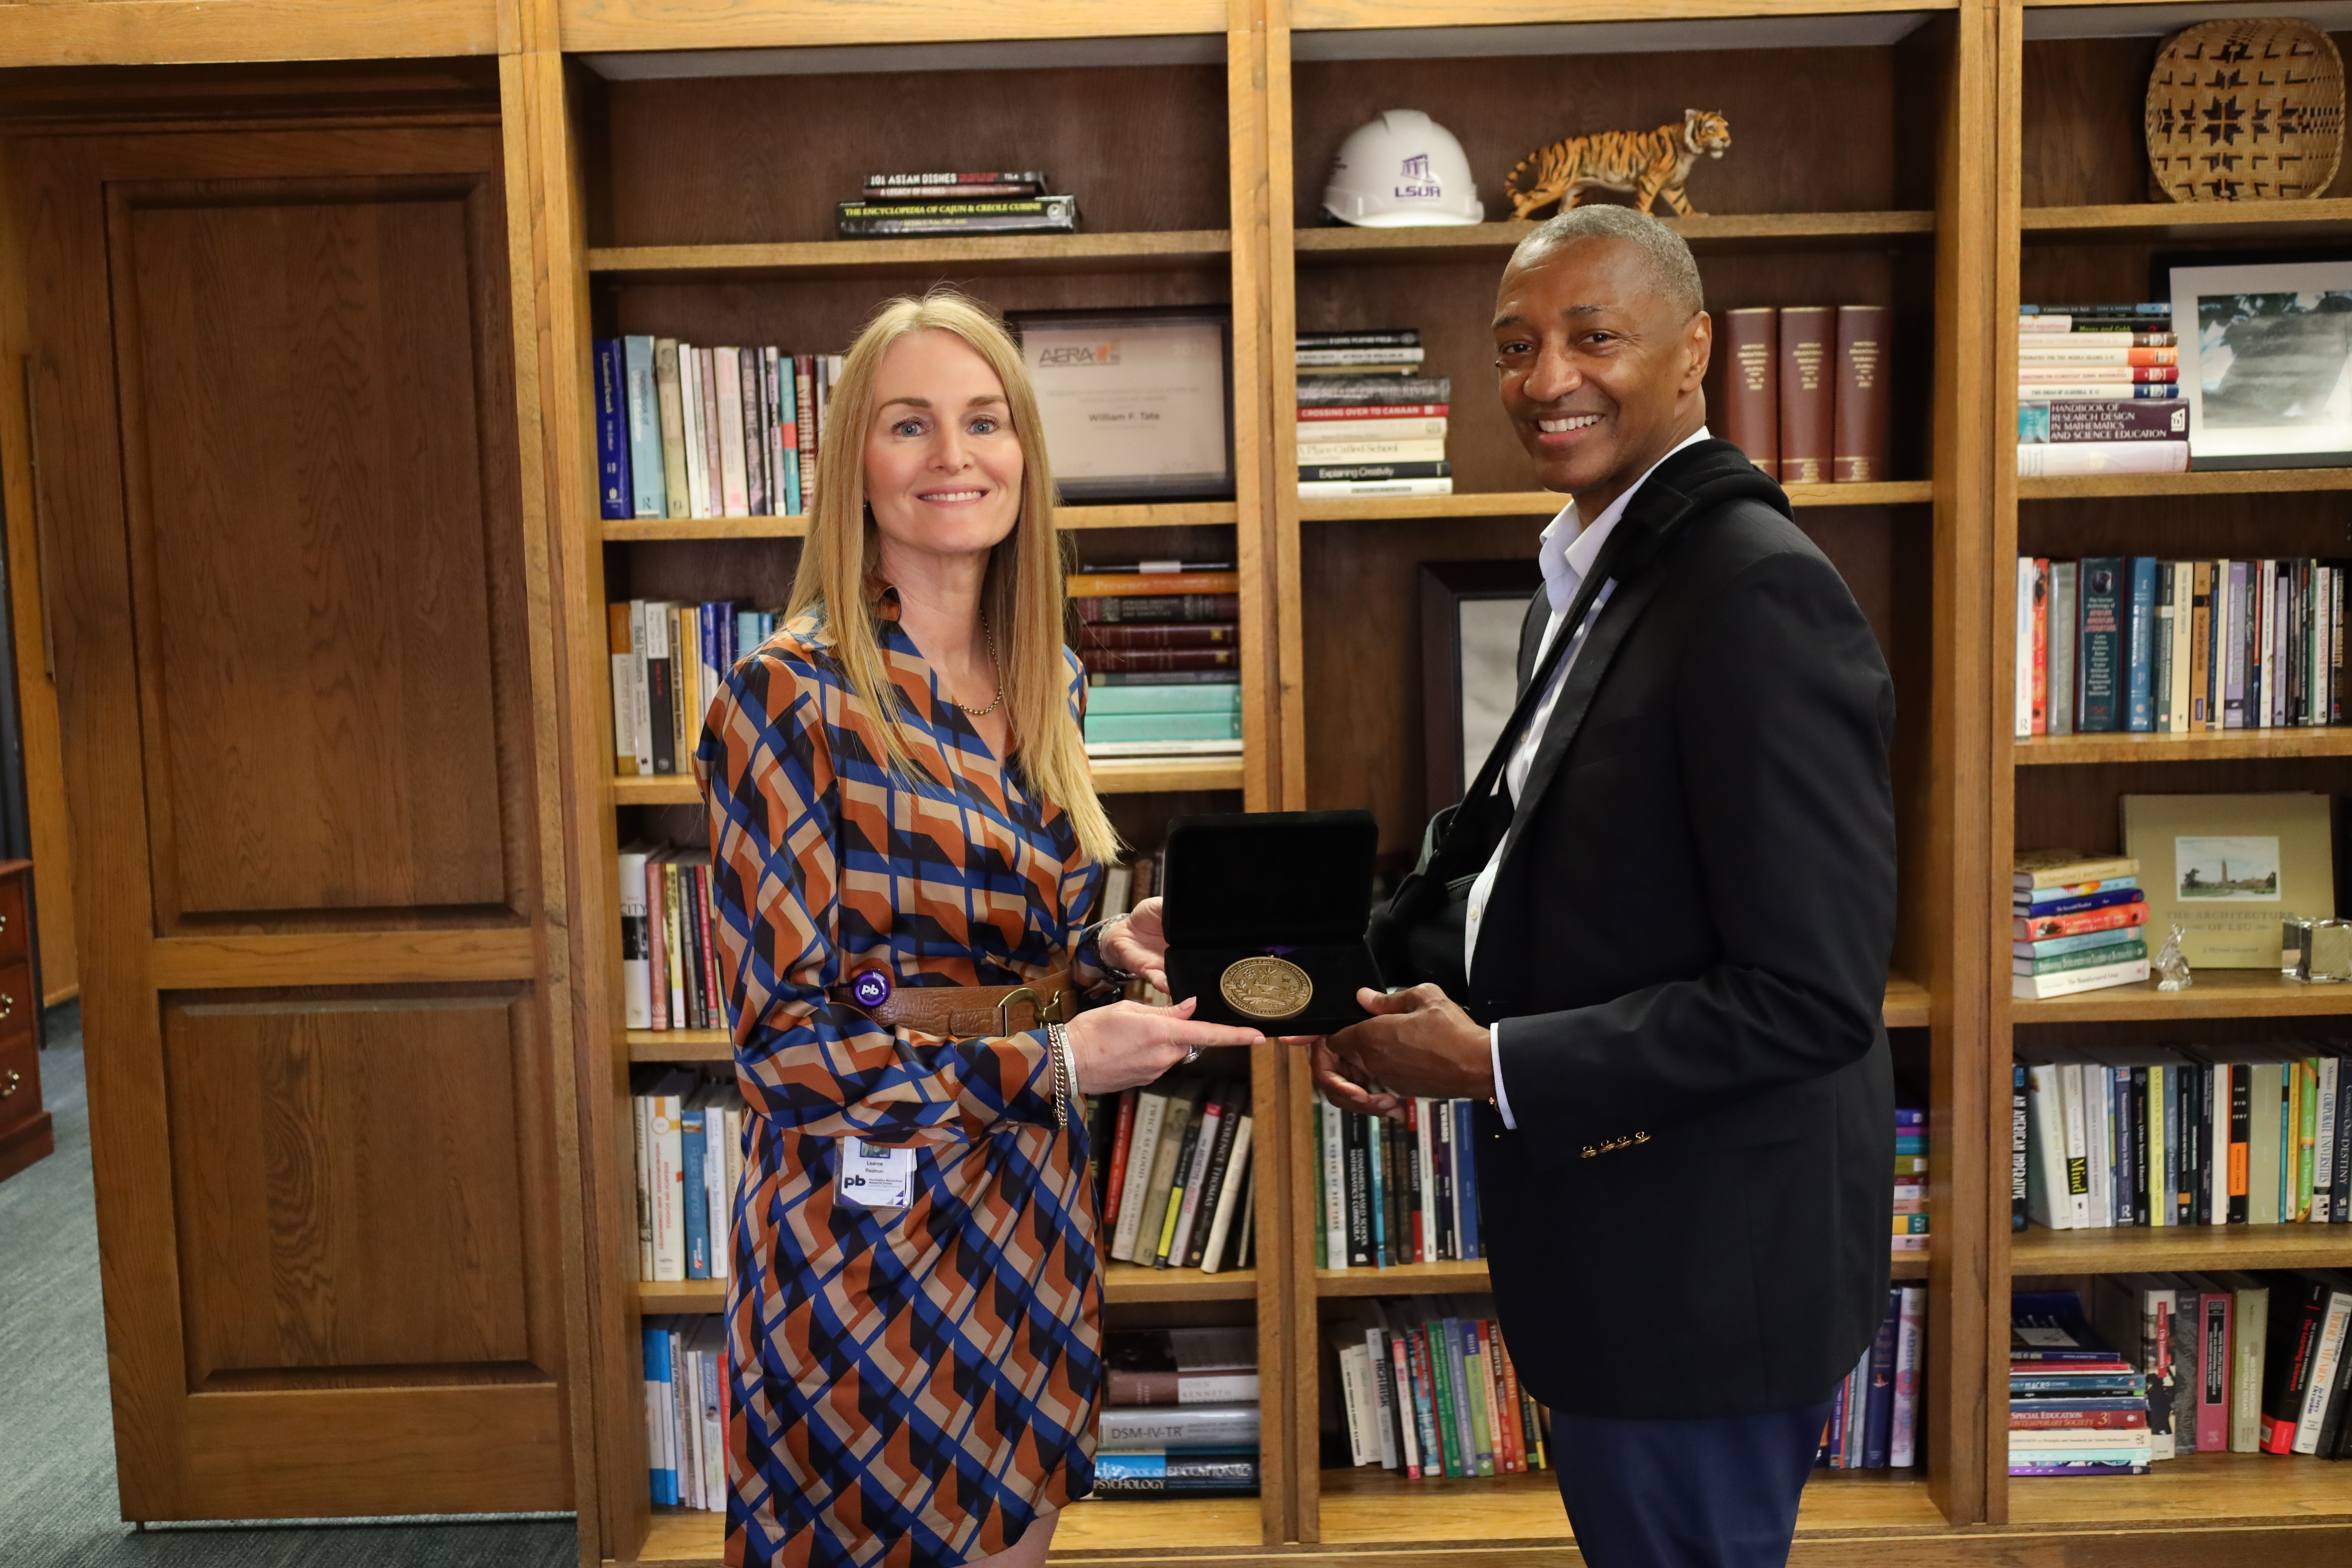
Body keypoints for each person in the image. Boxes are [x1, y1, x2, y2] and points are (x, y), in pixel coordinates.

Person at [1314, 205, 1897, 1568]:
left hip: (1705, 1285)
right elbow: (1516, 860)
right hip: (1624, 1267)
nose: (1544, 377)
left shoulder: (1757, 594)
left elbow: (1812, 998)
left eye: (1594, 335)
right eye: (1517, 345)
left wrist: (1495, 1061)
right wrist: (1314, 964)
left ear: (1694, 352)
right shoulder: (1590, 577)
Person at [697, 287, 1260, 1568]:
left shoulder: (1050, 673)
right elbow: (787, 1046)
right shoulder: (785, 696)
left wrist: (1099, 958)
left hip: (1027, 1214)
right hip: (863, 1234)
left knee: (1018, 1534)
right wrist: (1057, 1061)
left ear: (1025, 456)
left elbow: (986, 953)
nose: (955, 458)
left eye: (985, 422)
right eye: (910, 425)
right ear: (855, 463)